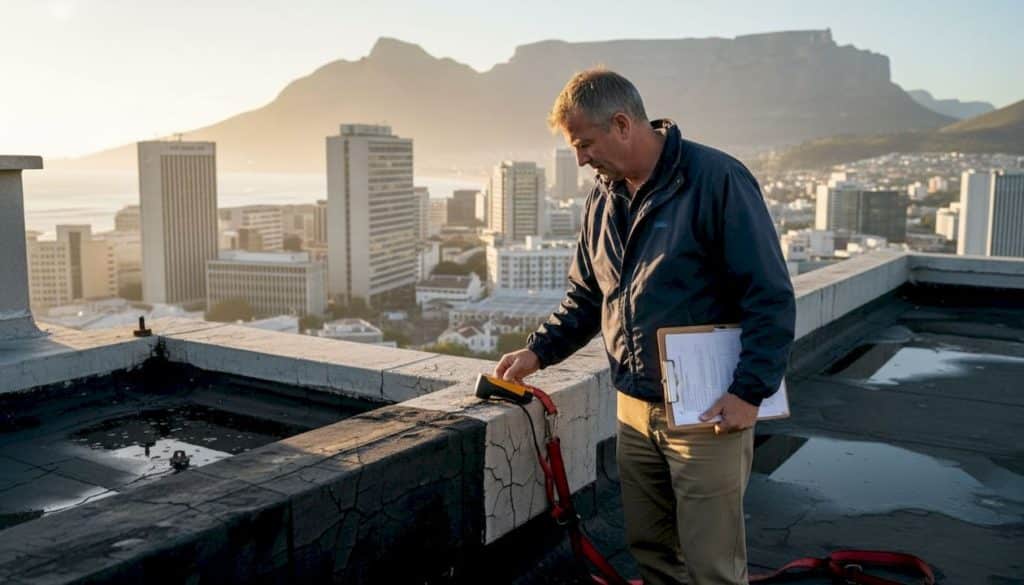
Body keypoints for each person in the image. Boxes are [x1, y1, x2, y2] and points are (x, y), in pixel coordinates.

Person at [493, 69, 796, 585]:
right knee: (652, 552)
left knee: (712, 564)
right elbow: (587, 297)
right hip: (634, 408)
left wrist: (749, 392)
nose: (580, 159)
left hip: (707, 408)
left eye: (584, 144)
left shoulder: (717, 180)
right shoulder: (602, 198)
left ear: (622, 124)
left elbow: (769, 296)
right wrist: (537, 352)